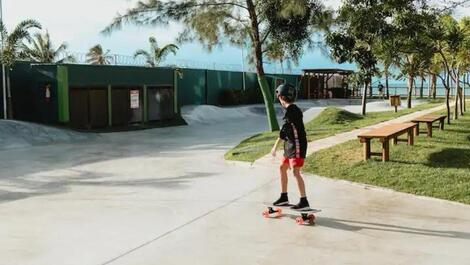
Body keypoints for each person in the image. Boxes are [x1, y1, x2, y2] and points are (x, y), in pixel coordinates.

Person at [270, 84, 310, 210]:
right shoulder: (292, 109)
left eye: (279, 98)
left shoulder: (291, 111)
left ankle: (304, 201)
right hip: (290, 144)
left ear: (281, 97)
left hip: (297, 144)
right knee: (282, 168)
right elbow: (286, 131)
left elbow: (284, 131)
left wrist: (275, 147)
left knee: (295, 171)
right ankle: (284, 197)